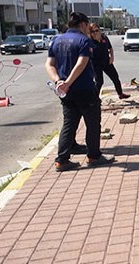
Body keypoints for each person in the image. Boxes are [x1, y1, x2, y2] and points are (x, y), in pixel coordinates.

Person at [45, 12, 115, 172]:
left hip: (65, 92)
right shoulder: (84, 40)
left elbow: (49, 64)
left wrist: (59, 82)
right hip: (84, 88)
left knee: (69, 124)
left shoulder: (56, 40)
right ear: (82, 24)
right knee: (92, 123)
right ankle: (94, 156)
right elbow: (82, 63)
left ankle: (62, 160)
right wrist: (69, 82)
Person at [88, 23, 130, 99]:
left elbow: (110, 48)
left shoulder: (104, 38)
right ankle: (95, 99)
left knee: (115, 78)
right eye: (92, 31)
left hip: (107, 62)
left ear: (99, 31)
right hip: (96, 64)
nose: (95, 33)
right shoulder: (89, 42)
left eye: (96, 30)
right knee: (99, 82)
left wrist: (112, 57)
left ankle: (120, 94)